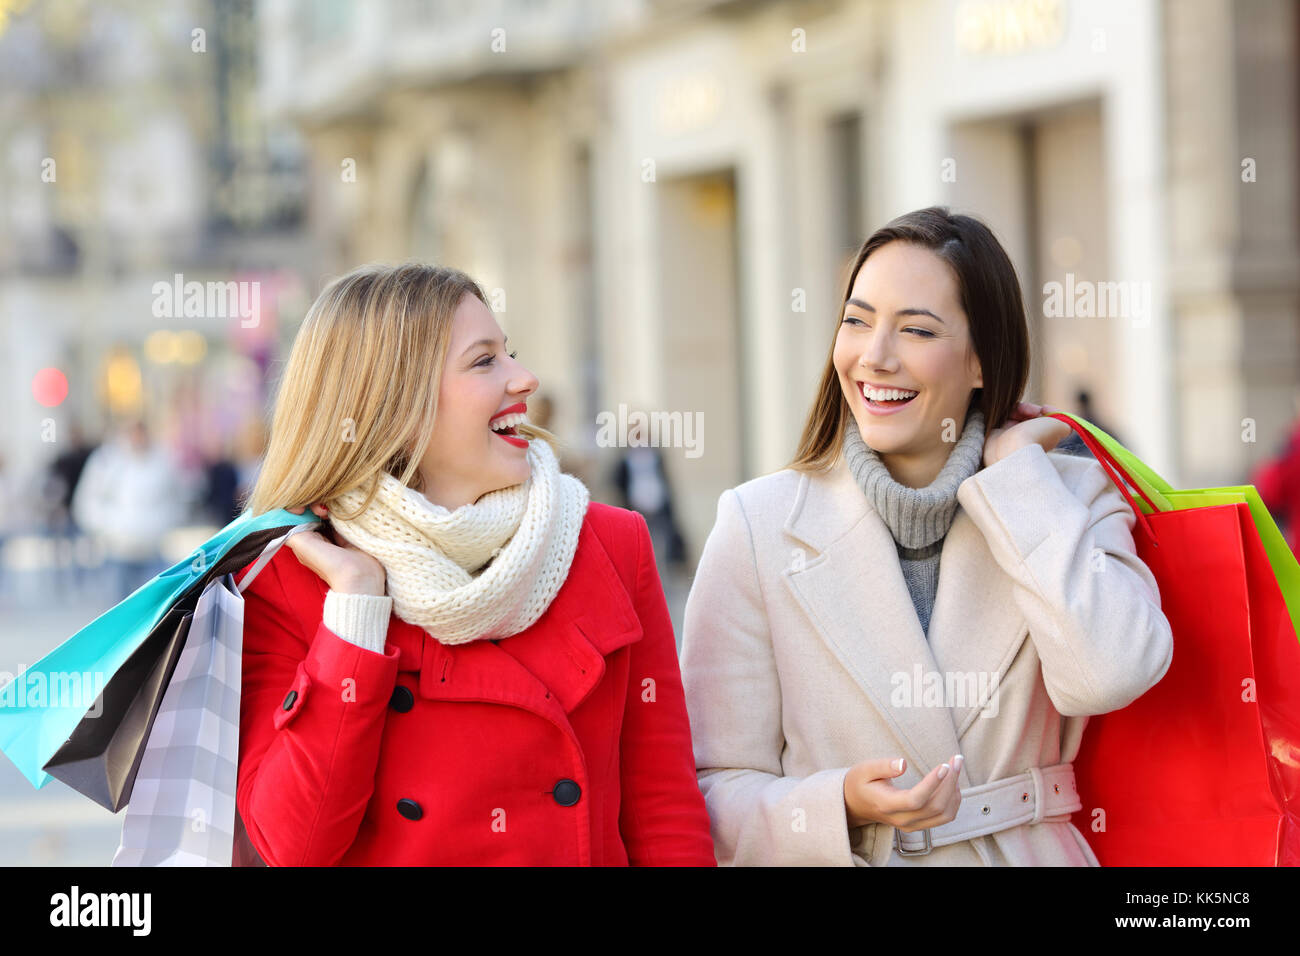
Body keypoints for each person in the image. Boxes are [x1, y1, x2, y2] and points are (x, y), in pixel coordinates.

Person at [679, 207, 1173, 866]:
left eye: (915, 330)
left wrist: (1018, 478)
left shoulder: (1066, 499)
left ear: (981, 362)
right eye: (856, 321)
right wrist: (838, 804)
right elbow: (709, 789)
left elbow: (1112, 673)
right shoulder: (757, 523)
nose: (874, 356)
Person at [235, 263, 715, 866]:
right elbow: (292, 846)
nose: (525, 379)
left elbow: (664, 812)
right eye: (484, 361)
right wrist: (355, 611)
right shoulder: (290, 574)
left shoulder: (612, 544)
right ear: (394, 407)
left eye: (509, 354)